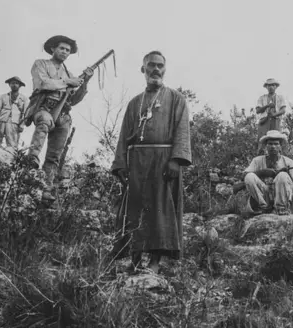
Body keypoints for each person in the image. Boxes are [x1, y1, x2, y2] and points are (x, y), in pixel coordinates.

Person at [110, 51, 192, 274]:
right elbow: (123, 135)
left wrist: (176, 160)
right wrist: (121, 165)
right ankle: (135, 261)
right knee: (135, 208)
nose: (156, 70)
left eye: (160, 66)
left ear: (165, 69)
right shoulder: (134, 103)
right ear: (143, 69)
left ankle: (155, 263)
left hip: (163, 161)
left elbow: (182, 131)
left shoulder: (176, 99)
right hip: (136, 162)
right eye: (151, 65)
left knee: (159, 210)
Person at [25, 35, 94, 201]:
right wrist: (68, 82)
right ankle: (31, 159)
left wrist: (84, 82)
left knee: (55, 155)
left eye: (68, 50)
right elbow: (43, 83)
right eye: (62, 48)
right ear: (53, 48)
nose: (64, 52)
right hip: (43, 107)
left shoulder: (68, 73)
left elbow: (74, 100)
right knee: (44, 122)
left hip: (62, 114)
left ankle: (46, 188)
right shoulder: (41, 64)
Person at [243, 130, 293, 215]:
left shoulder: (289, 162)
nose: (273, 146)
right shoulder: (257, 160)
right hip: (263, 194)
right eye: (270, 144)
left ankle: (281, 208)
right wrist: (263, 172)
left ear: (280, 146)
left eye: (276, 144)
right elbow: (244, 175)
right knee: (249, 177)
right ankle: (262, 207)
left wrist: (287, 175)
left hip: (281, 194)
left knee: (282, 175)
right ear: (266, 146)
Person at [0, 76, 28, 148]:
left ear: (20, 86)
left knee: (12, 143)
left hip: (14, 123)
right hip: (1, 121)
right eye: (12, 83)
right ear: (9, 85)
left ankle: (10, 158)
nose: (14, 85)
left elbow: (26, 113)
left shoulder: (24, 98)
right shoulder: (3, 96)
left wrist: (22, 125)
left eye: (16, 83)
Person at [255, 78, 287, 151]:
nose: (271, 87)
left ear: (276, 86)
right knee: (262, 140)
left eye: (272, 85)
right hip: (264, 121)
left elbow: (283, 110)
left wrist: (274, 115)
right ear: (266, 87)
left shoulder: (280, 97)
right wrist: (267, 106)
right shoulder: (262, 98)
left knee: (276, 140)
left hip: (276, 120)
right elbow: (258, 110)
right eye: (269, 85)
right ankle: (260, 158)